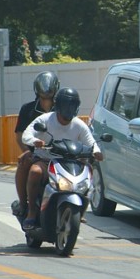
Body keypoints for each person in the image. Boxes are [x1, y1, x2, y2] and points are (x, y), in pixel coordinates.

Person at [21, 87, 103, 230]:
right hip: (46, 161)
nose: (69, 108)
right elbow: (26, 135)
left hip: (71, 164)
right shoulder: (45, 119)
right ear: (58, 105)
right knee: (35, 172)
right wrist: (35, 141)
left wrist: (97, 152)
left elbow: (91, 143)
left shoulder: (79, 125)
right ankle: (32, 213)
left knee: (88, 174)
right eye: (66, 105)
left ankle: (80, 210)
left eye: (72, 105)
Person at [12, 71, 60, 217]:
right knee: (24, 163)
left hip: (59, 155)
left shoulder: (62, 109)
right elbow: (20, 135)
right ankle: (23, 203)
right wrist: (27, 151)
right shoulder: (27, 109)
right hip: (35, 155)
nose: (47, 97)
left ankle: (77, 207)